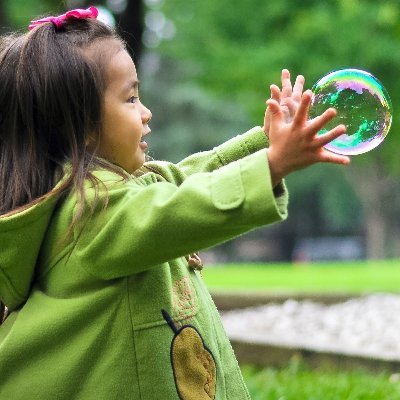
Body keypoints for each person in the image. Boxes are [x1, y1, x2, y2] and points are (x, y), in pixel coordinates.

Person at [0, 6, 350, 400]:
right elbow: (178, 208)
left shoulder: (119, 192)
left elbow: (188, 177)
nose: (146, 113)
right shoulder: (90, 216)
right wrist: (271, 165)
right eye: (130, 99)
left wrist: (265, 142)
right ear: (78, 128)